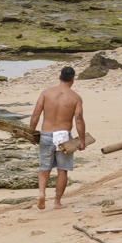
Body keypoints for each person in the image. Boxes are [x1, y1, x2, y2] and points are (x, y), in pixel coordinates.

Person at [27, 66, 88, 211]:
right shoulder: (75, 98)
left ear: (59, 76)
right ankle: (57, 202)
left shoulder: (46, 93)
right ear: (73, 79)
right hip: (64, 136)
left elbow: (36, 114)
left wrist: (31, 132)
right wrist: (82, 140)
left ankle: (42, 193)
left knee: (44, 168)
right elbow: (78, 119)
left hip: (47, 134)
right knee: (62, 170)